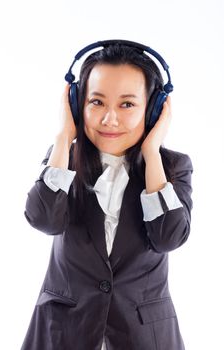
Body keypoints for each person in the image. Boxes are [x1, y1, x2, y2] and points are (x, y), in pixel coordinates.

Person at [21, 41, 193, 350]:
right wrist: (63, 138)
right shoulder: (63, 160)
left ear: (153, 110)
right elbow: (43, 219)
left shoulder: (171, 167)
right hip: (62, 333)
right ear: (77, 105)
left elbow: (168, 237)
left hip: (144, 337)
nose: (109, 119)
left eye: (127, 104)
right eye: (96, 102)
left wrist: (151, 153)